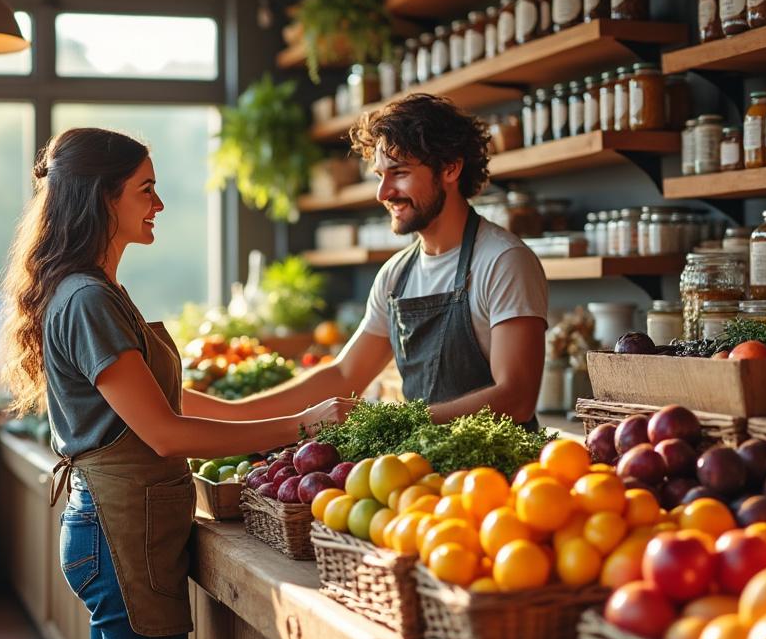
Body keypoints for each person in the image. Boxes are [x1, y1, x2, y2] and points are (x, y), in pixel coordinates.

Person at [0, 127, 353, 639]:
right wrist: (300, 426)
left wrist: (275, 414)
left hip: (111, 530)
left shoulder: (94, 291)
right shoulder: (88, 299)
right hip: (120, 537)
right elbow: (163, 432)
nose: (158, 205)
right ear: (102, 197)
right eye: (146, 190)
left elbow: (166, 401)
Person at [233, 93, 548, 426]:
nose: (383, 193)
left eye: (398, 173)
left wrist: (393, 419)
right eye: (379, 176)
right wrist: (234, 415)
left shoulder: (503, 261)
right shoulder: (396, 274)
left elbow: (516, 399)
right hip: (421, 470)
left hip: (498, 473)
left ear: (451, 168)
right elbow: (343, 375)